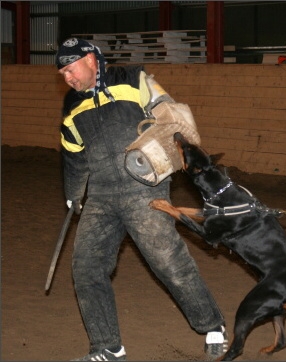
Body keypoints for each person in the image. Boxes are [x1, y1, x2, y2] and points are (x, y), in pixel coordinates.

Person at [55, 37, 228, 361]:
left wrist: (169, 154)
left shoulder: (133, 79)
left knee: (168, 262)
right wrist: (73, 194)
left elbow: (174, 120)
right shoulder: (70, 105)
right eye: (62, 72)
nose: (68, 77)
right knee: (86, 267)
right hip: (102, 197)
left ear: (91, 59)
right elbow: (74, 153)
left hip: (143, 191)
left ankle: (213, 326)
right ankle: (107, 347)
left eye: (71, 68)